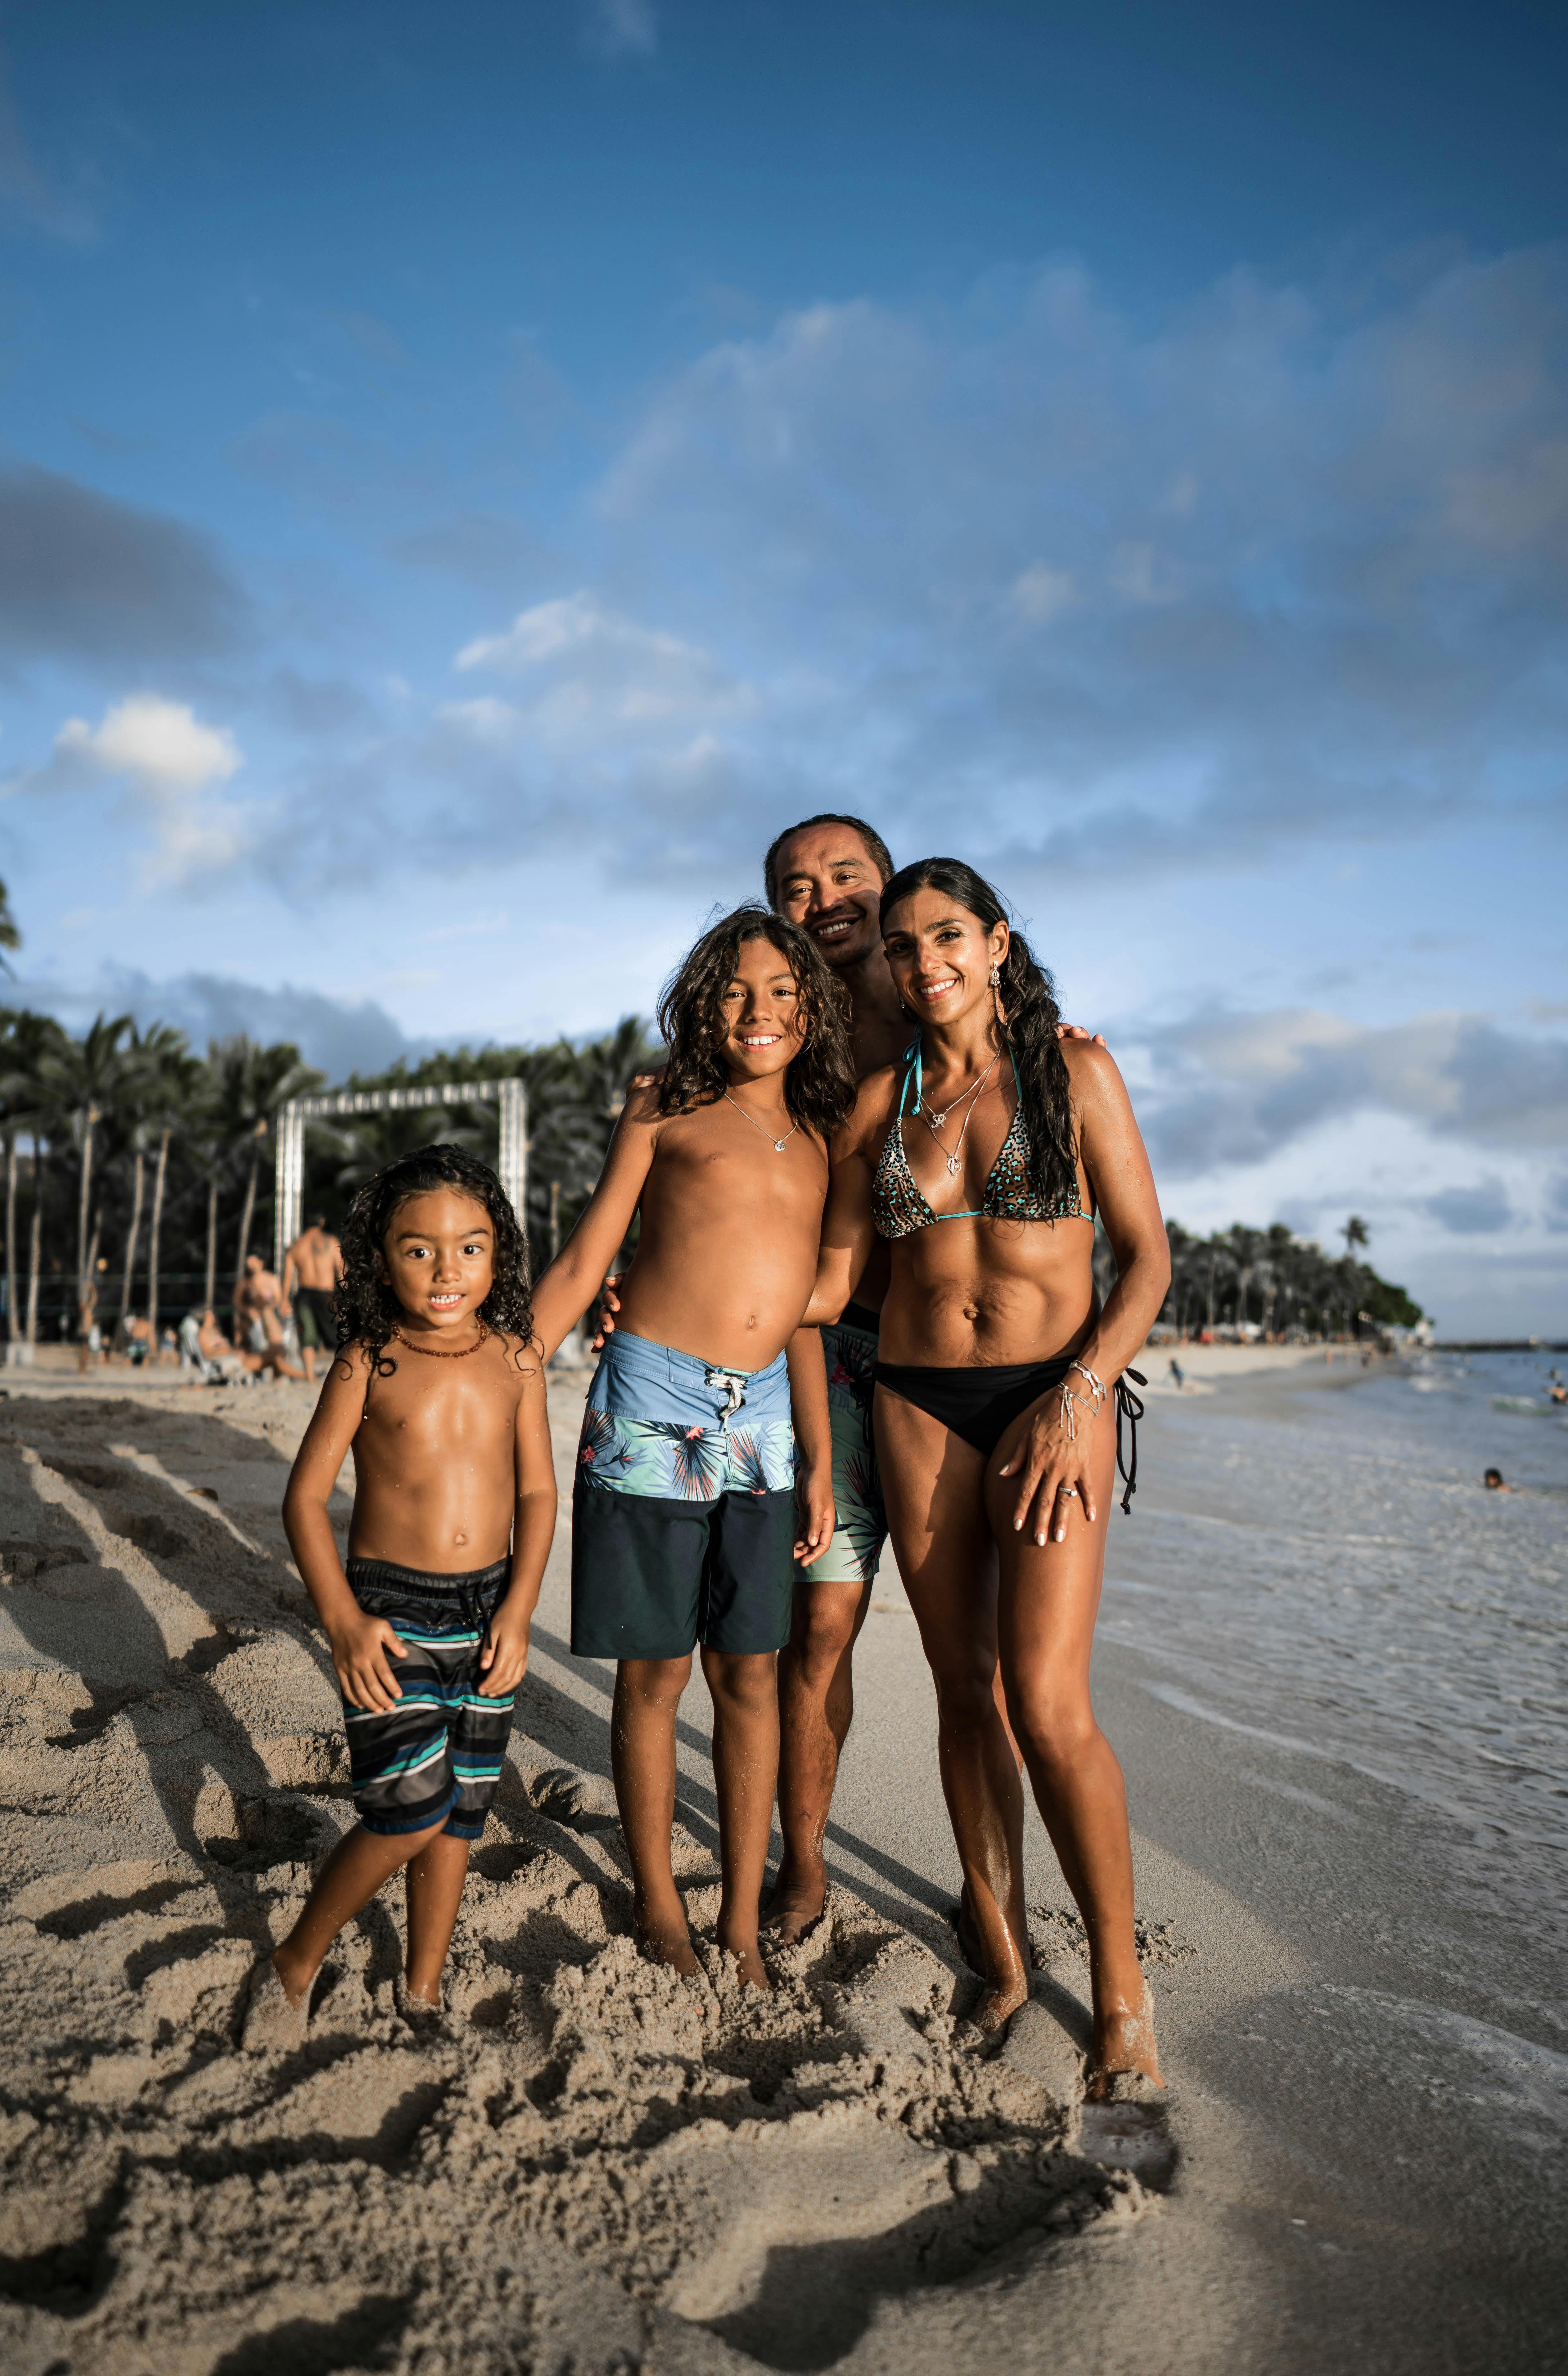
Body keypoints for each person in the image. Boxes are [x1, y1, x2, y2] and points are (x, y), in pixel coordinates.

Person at [596, 812, 1107, 1943]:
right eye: (793, 883)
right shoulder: (784, 1033)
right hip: (817, 1353)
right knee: (816, 1625)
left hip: (960, 1367)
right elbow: (712, 1180)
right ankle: (807, 1862)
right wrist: (667, 1293)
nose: (820, 895)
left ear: (887, 895)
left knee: (981, 1662)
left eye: (844, 876)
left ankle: (993, 1895)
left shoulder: (959, 1014)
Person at [802, 857, 1170, 2091]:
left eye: (946, 935)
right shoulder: (876, 1106)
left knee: (1050, 1702)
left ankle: (1121, 1991)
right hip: (916, 1403)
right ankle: (1006, 1952)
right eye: (903, 947)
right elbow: (825, 1284)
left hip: (1049, 1396)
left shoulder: (1077, 1071)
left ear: (998, 941)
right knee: (964, 1681)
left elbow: (1147, 1260)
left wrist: (1081, 1392)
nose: (924, 960)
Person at [528, 905, 851, 1990]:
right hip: (652, 1398)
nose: (758, 1013)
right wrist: (502, 1371)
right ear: (702, 1004)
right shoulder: (665, 1107)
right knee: (657, 1669)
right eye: (734, 991)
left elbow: (808, 1315)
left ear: (810, 1006)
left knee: (752, 1671)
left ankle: (744, 1923)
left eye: (780, 993)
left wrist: (816, 1455)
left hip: (762, 1422)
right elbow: (584, 1262)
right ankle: (661, 1901)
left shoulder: (819, 1133)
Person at [244, 1145, 554, 2045]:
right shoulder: (368, 1358)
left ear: (500, 1252)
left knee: (458, 1811)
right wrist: (341, 1618)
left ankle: (421, 1992)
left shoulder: (516, 1358)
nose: (446, 1268)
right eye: (419, 1249)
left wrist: (520, 1605)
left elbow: (537, 1492)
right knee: (405, 1809)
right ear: (381, 1258)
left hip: (489, 1608)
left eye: (470, 1245)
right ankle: (296, 1958)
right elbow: (304, 1495)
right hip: (388, 1613)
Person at [284, 1211, 345, 1383]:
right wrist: (348, 1292)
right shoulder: (331, 1242)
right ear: (322, 1222)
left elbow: (287, 1277)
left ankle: (310, 1377)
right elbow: (341, 1271)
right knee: (337, 1337)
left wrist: (284, 1300)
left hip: (305, 1295)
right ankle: (338, 1376)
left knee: (308, 1336)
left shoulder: (296, 1246)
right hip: (327, 1293)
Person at [235, 1252, 305, 1381]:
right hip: (253, 1318)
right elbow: (238, 1303)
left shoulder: (271, 1280)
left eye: (253, 1262)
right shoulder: (245, 1283)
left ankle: (276, 1351)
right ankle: (304, 1375)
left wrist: (265, 1306)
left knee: (267, 1312)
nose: (250, 1266)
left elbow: (278, 1300)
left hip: (270, 1316)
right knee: (254, 1315)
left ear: (261, 1263)